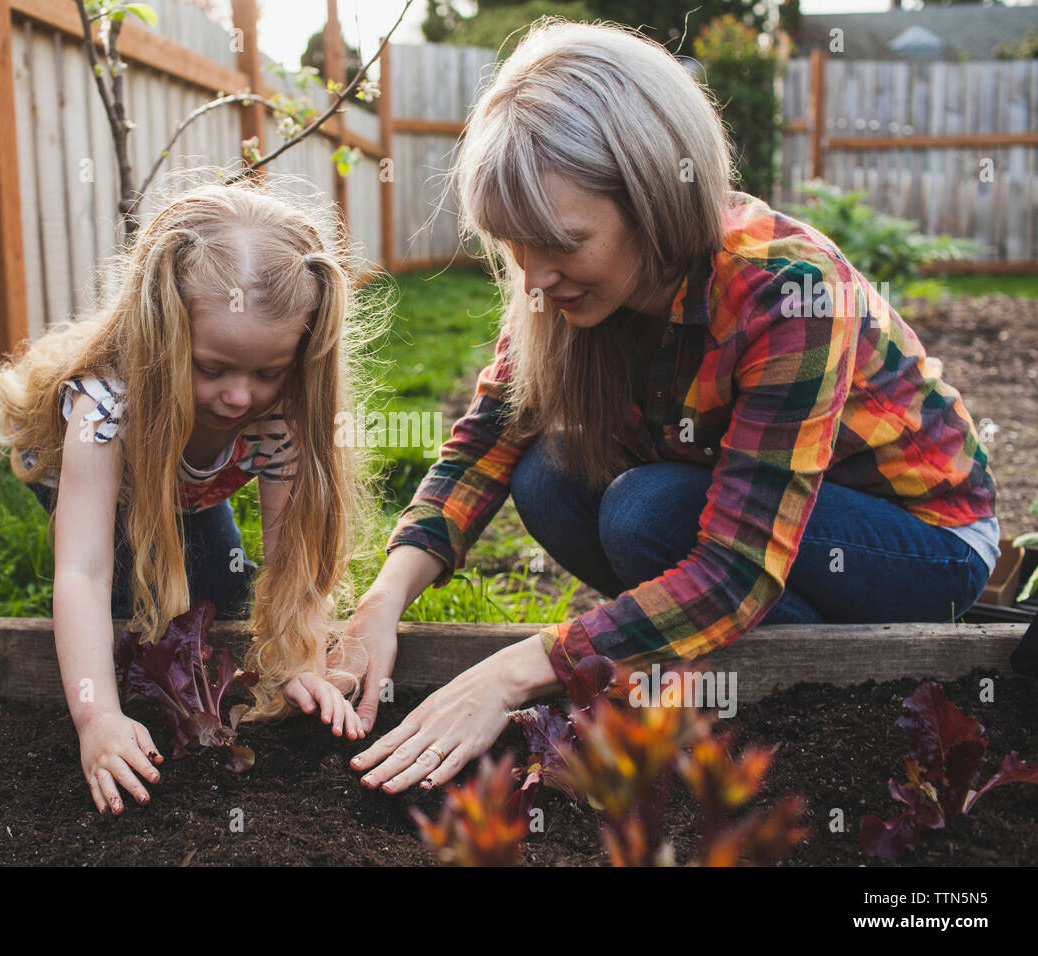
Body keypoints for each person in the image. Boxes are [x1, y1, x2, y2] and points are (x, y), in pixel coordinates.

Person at [342, 18, 999, 795]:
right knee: (548, 475)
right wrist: (382, 604)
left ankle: (830, 682)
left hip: (919, 544)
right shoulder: (558, 292)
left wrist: (517, 672)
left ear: (650, 197)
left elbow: (735, 569)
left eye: (561, 242)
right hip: (739, 508)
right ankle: (692, 651)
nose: (534, 279)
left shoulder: (790, 291)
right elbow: (486, 438)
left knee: (645, 513)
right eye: (515, 245)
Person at [0, 174, 383, 815]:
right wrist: (97, 716)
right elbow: (80, 568)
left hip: (195, 480)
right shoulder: (106, 404)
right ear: (163, 336)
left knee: (220, 587)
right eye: (212, 368)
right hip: (96, 471)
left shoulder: (282, 414)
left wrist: (304, 664)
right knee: (122, 595)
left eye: (267, 372)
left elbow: (290, 550)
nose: (241, 395)